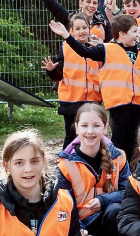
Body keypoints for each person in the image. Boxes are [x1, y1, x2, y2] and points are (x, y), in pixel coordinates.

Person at [51, 14, 140, 159]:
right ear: (122, 34)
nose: (138, 35)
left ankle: (135, 171)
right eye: (135, 32)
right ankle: (118, 170)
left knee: (137, 141)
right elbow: (84, 51)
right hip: (120, 105)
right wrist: (67, 36)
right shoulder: (106, 49)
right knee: (120, 141)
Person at [55, 104, 133, 236]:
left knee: (116, 210)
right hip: (82, 232)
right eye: (85, 126)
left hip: (112, 225)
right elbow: (63, 204)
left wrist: (102, 200)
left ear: (105, 128)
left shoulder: (119, 157)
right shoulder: (64, 165)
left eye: (96, 126)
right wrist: (77, 227)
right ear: (76, 127)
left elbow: (130, 192)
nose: (90, 131)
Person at [43, 13, 102, 149]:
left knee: (91, 136)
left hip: (93, 101)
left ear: (89, 28)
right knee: (71, 136)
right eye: (78, 28)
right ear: (72, 31)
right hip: (71, 101)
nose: (82, 31)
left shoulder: (98, 48)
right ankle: (66, 165)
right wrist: (51, 70)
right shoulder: (66, 48)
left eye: (84, 28)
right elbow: (59, 76)